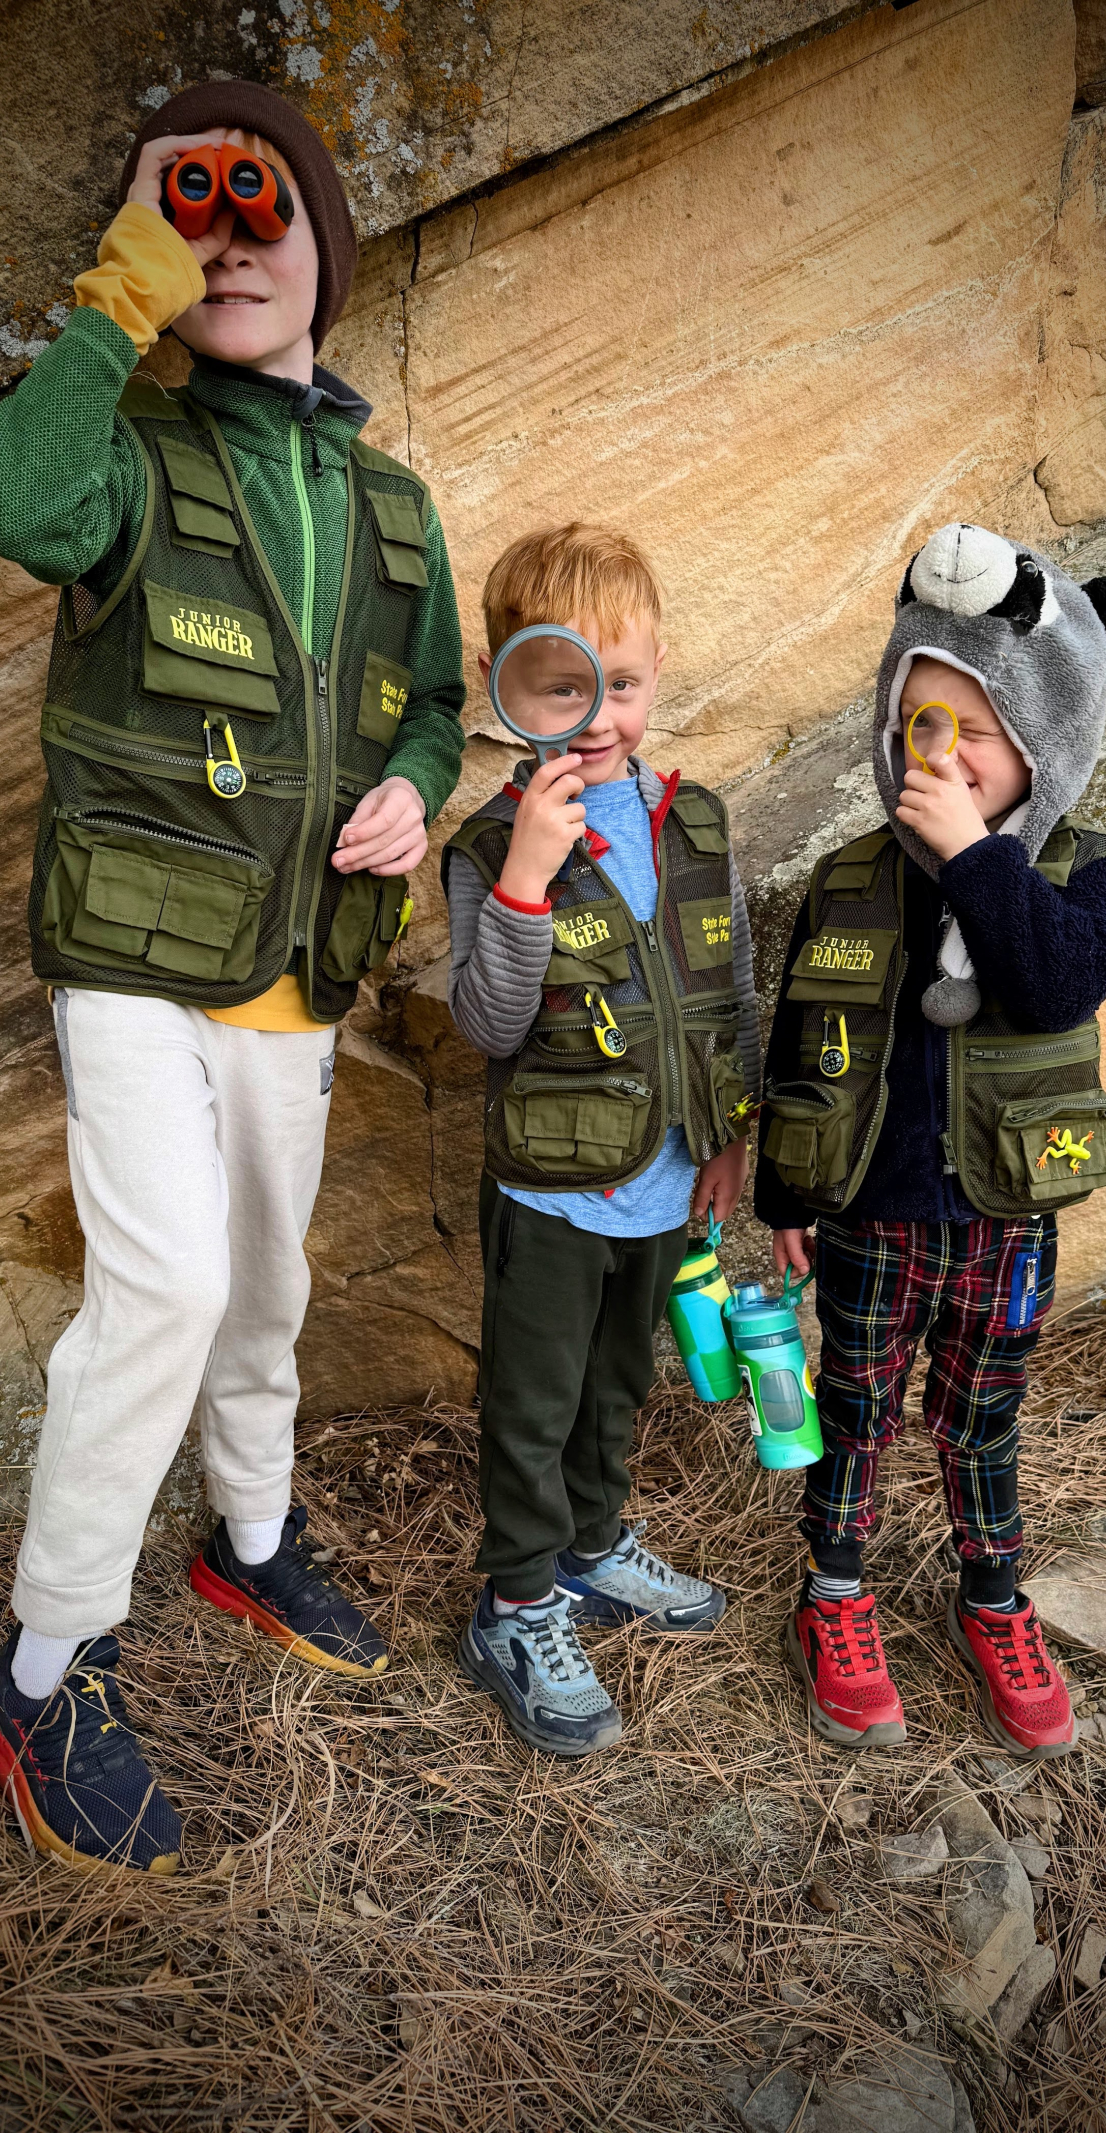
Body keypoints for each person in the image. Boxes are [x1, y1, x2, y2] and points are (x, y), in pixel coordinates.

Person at [0, 81, 466, 1871]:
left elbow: (433, 702)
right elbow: (14, 506)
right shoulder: (130, 451)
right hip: (133, 960)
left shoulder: (396, 503)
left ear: (331, 245)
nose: (232, 243)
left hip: (297, 980)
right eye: (195, 216)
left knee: (264, 1289)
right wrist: (117, 290)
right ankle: (38, 1665)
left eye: (266, 213)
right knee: (164, 1284)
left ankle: (246, 1539)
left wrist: (415, 784)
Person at [756, 522, 1106, 1761]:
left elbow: (1049, 985)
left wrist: (979, 857)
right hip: (873, 1211)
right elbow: (803, 1035)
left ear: (1043, 746)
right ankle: (837, 1594)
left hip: (1004, 1221)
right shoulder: (855, 876)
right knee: (854, 1403)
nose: (940, 755)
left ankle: (992, 1599)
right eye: (919, 725)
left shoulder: (1095, 879)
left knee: (981, 1414)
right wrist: (784, 1195)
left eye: (973, 733)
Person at [443, 525, 759, 1756]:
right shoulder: (487, 844)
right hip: (551, 1194)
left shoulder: (698, 825)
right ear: (504, 681)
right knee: (533, 1407)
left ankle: (589, 1547)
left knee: (618, 1384)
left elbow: (724, 999)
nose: (595, 715)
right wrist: (526, 873)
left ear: (657, 675)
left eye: (618, 685)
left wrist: (729, 1138)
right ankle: (515, 1604)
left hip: (669, 1176)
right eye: (562, 686)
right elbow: (487, 1021)